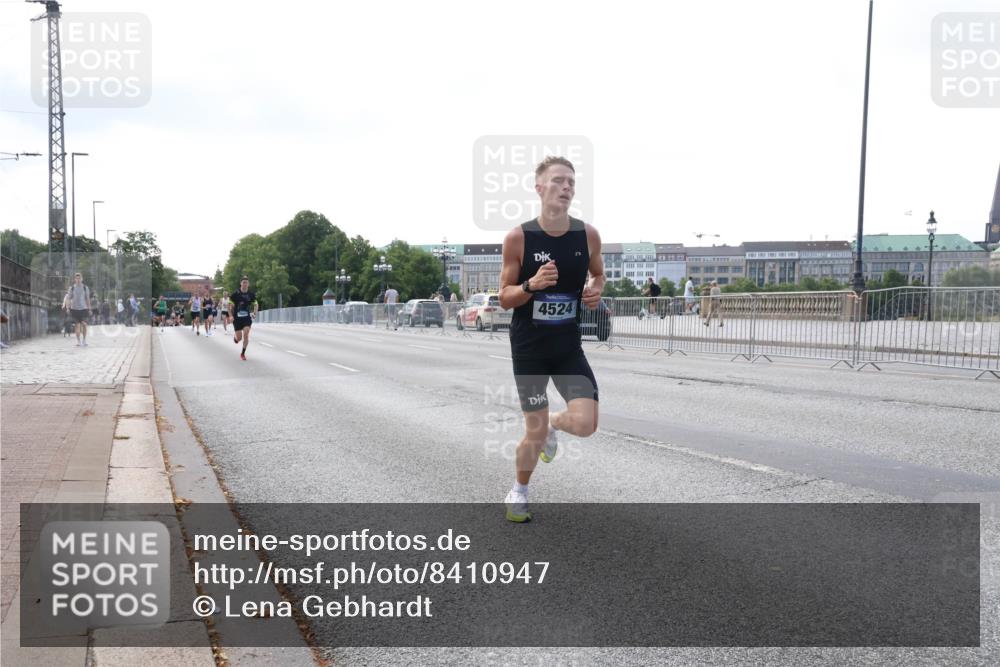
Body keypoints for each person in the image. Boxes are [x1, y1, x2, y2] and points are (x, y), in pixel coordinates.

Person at [498, 156, 604, 523]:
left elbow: (598, 274)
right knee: (534, 429)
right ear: (539, 187)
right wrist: (531, 284)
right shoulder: (518, 238)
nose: (566, 187)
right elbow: (504, 297)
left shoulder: (588, 236)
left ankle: (555, 425)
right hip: (530, 350)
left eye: (571, 182)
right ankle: (519, 490)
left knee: (587, 423)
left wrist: (596, 290)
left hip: (567, 347)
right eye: (558, 180)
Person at [231, 276, 257, 360]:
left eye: (246, 283)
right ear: (241, 283)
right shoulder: (235, 294)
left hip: (246, 318)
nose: (245, 284)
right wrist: (230, 315)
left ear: (248, 284)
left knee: (246, 333)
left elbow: (256, 304)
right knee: (239, 338)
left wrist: (255, 313)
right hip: (237, 318)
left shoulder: (251, 294)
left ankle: (242, 353)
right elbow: (229, 304)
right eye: (243, 282)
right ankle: (236, 338)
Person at [66, 273, 91, 347]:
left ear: (82, 279)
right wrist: (68, 308)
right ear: (75, 279)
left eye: (79, 278)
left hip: (83, 309)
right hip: (74, 309)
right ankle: (78, 341)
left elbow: (87, 299)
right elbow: (68, 298)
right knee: (77, 326)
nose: (78, 280)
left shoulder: (85, 288)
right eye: (77, 278)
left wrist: (89, 308)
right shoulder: (72, 288)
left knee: (84, 324)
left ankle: (84, 340)